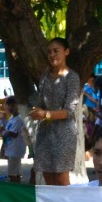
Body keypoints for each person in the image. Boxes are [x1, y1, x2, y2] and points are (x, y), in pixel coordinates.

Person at [29, 37, 82, 185]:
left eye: (56, 51)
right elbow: (39, 102)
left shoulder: (72, 78)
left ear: (66, 52)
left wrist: (46, 114)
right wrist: (34, 111)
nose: (52, 55)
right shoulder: (45, 77)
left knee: (61, 178)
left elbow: (69, 111)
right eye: (49, 52)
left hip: (64, 133)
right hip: (45, 133)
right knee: (48, 179)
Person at [0, 96, 26, 183]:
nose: (11, 107)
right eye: (9, 105)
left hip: (15, 149)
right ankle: (18, 190)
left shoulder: (18, 119)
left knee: (12, 174)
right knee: (16, 172)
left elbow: (14, 134)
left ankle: (15, 191)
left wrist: (6, 133)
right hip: (11, 148)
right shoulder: (11, 118)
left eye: (13, 105)